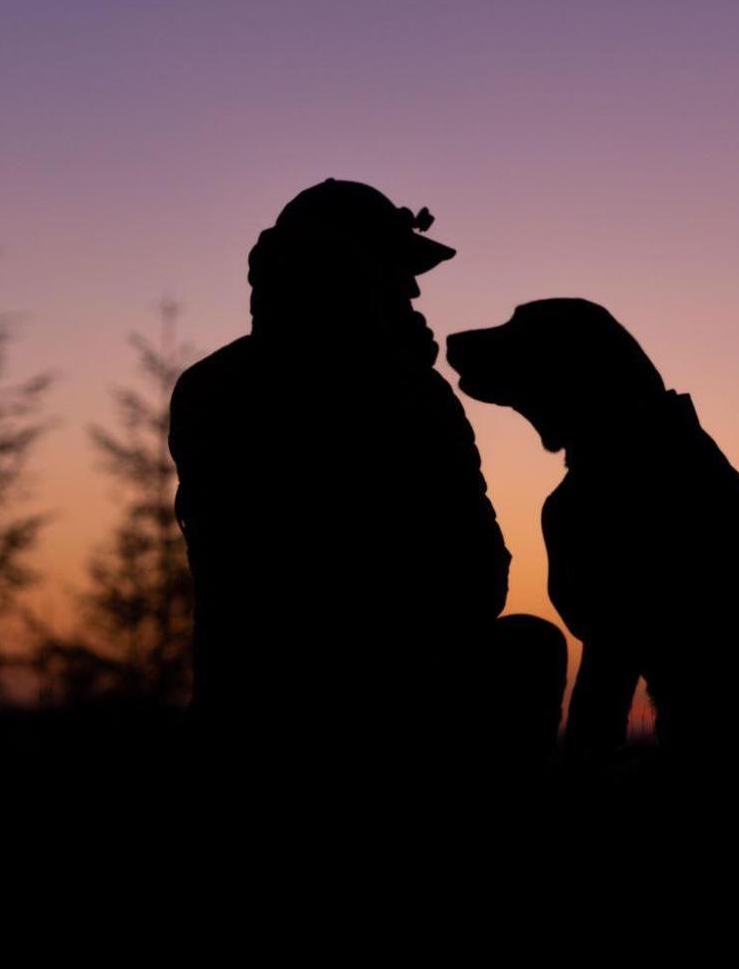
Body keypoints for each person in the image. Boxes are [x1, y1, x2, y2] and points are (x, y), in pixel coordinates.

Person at [168, 180, 566, 785]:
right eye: (397, 271)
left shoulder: (208, 385)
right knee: (529, 648)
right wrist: (400, 381)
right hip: (372, 725)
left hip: (241, 721)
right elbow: (473, 580)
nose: (412, 291)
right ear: (351, 274)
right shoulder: (405, 393)